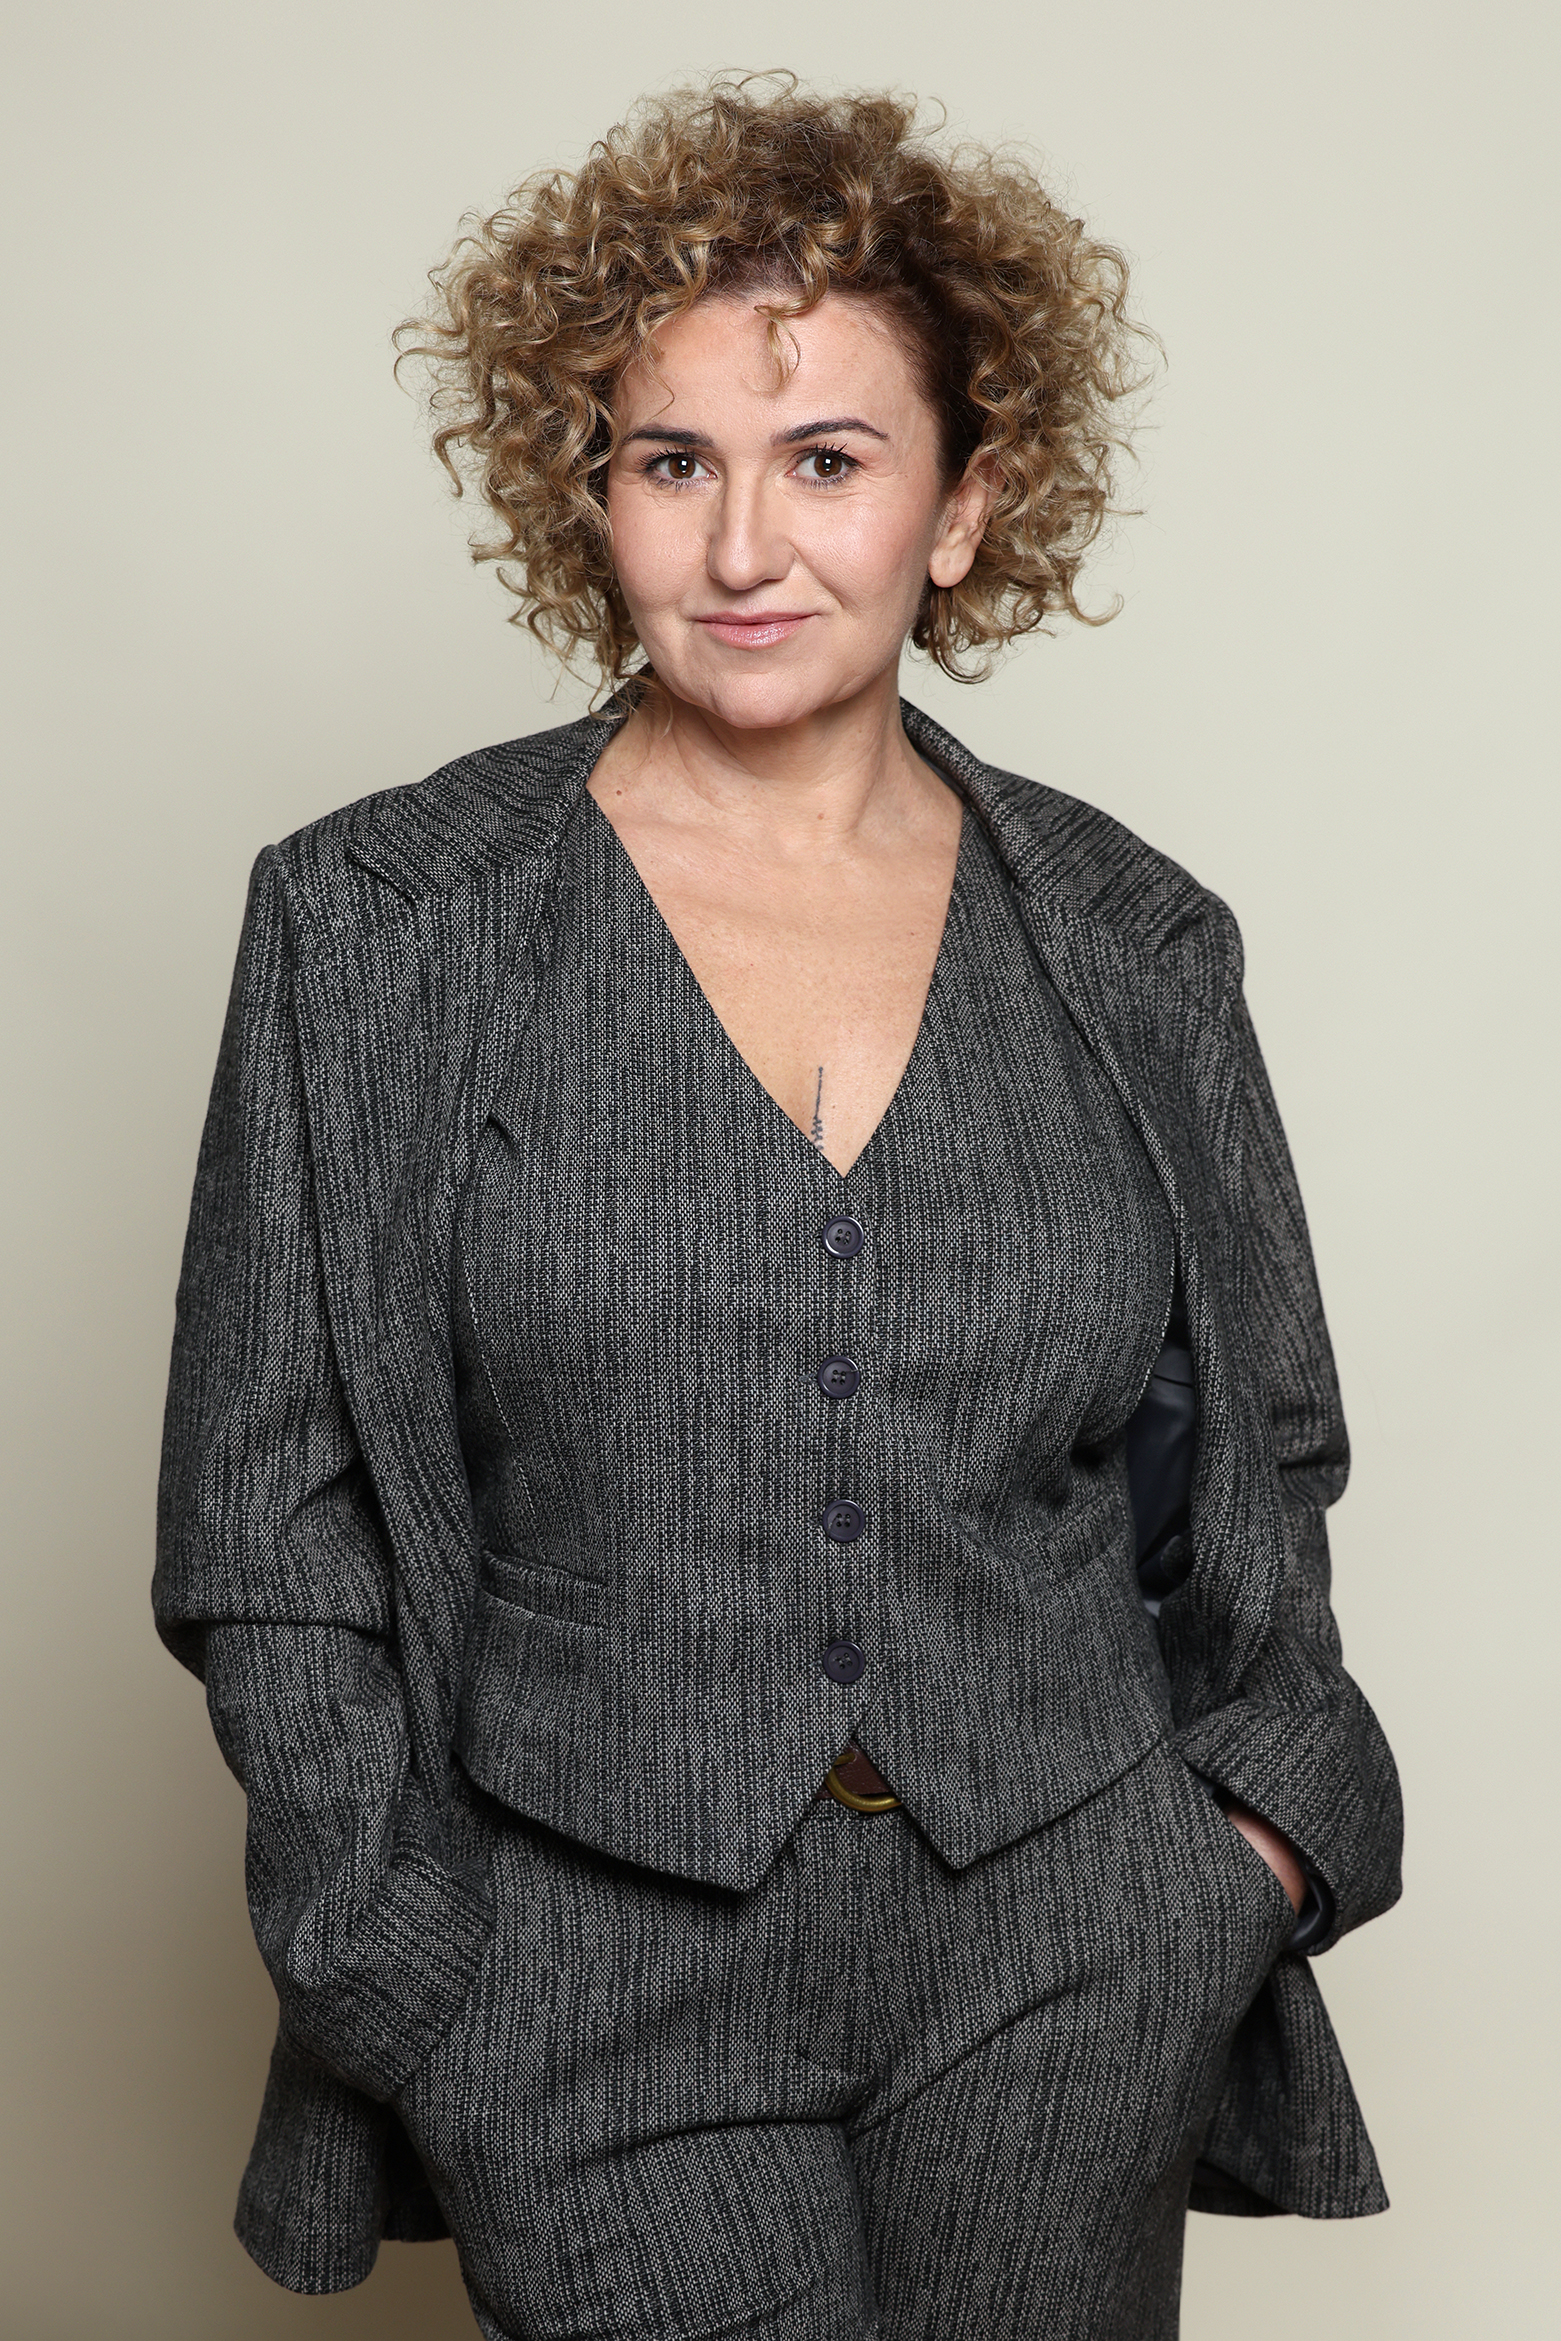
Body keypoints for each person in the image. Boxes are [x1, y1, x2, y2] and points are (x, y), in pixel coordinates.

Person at [154, 73, 1402, 2341]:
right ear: (588, 491)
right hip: (574, 1967)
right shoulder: (377, 922)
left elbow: (1262, 1441)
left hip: (1068, 1945)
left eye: (827, 459)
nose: (744, 547)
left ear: (963, 503)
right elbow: (265, 1518)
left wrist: (1237, 1853)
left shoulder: (1134, 939)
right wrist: (399, 1960)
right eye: (671, 462)